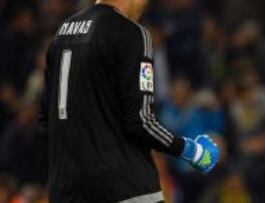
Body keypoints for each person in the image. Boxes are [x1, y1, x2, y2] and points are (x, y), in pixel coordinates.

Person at [39, 0, 220, 202]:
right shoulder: (131, 32)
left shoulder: (61, 34)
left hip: (66, 189)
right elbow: (141, 122)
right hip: (124, 187)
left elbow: (47, 117)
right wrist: (192, 151)